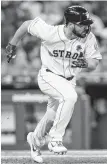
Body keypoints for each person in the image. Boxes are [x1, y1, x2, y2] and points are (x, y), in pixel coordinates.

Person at [6, 5, 102, 163]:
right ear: (71, 24)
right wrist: (12, 44)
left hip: (69, 80)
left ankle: (35, 141)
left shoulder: (88, 37)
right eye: (82, 24)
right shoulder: (50, 32)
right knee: (70, 97)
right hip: (48, 76)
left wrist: (85, 63)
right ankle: (56, 139)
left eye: (87, 23)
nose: (86, 27)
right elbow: (26, 25)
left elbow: (94, 63)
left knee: (51, 116)